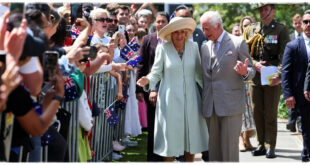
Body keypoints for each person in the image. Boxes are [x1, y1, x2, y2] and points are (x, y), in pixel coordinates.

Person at [137, 17, 209, 162]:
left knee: (191, 139)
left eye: (182, 32)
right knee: (169, 140)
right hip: (168, 99)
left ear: (187, 33)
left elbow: (199, 74)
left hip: (191, 99)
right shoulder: (163, 48)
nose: (179, 35)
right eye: (176, 32)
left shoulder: (193, 47)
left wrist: (209, 92)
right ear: (170, 33)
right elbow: (156, 72)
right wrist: (147, 80)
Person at [200, 11, 255, 162]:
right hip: (210, 107)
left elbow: (251, 72)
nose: (204, 32)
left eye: (207, 28)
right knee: (213, 152)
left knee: (229, 151)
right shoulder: (204, 48)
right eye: (202, 29)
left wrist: (244, 72)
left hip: (231, 106)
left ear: (218, 26)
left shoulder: (237, 43)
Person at [243, 3, 290, 158]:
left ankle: (271, 146)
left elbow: (285, 55)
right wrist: (254, 64)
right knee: (257, 112)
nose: (263, 12)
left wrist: (279, 74)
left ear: (273, 11)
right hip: (256, 75)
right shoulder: (251, 29)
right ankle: (261, 144)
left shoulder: (281, 29)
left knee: (270, 112)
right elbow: (243, 51)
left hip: (272, 75)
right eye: (261, 10)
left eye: (266, 9)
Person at [136, 11, 169, 162]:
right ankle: (152, 159)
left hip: (169, 88)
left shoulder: (172, 39)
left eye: (163, 21)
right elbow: (141, 64)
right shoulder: (148, 39)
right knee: (153, 125)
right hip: (151, 89)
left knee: (168, 125)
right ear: (154, 23)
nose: (160, 24)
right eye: (158, 21)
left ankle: (168, 155)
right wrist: (139, 89)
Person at [292, 9, 310, 162]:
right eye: (306, 22)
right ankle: (306, 151)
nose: (308, 24)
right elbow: (286, 71)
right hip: (302, 92)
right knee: (305, 123)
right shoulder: (293, 45)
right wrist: (288, 94)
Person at [238, 16, 256, 152]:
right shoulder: (237, 41)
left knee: (250, 112)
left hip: (254, 80)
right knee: (241, 111)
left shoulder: (258, 40)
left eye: (250, 25)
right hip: (241, 81)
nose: (247, 27)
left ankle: (247, 138)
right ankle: (240, 139)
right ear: (241, 27)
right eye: (245, 25)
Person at [286, 13, 303, 133]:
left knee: (302, 100)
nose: (297, 25)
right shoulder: (289, 37)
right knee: (291, 98)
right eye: (295, 23)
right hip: (292, 74)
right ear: (293, 24)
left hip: (303, 74)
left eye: (299, 23)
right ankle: (292, 121)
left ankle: (300, 124)